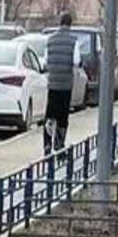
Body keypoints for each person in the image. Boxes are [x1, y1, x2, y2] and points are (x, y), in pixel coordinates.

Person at [44, 12, 79, 155]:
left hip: (52, 84)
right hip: (66, 84)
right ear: (70, 24)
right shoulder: (73, 40)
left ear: (60, 23)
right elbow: (76, 61)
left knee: (50, 114)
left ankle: (47, 144)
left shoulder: (50, 40)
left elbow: (45, 61)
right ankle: (59, 145)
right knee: (63, 116)